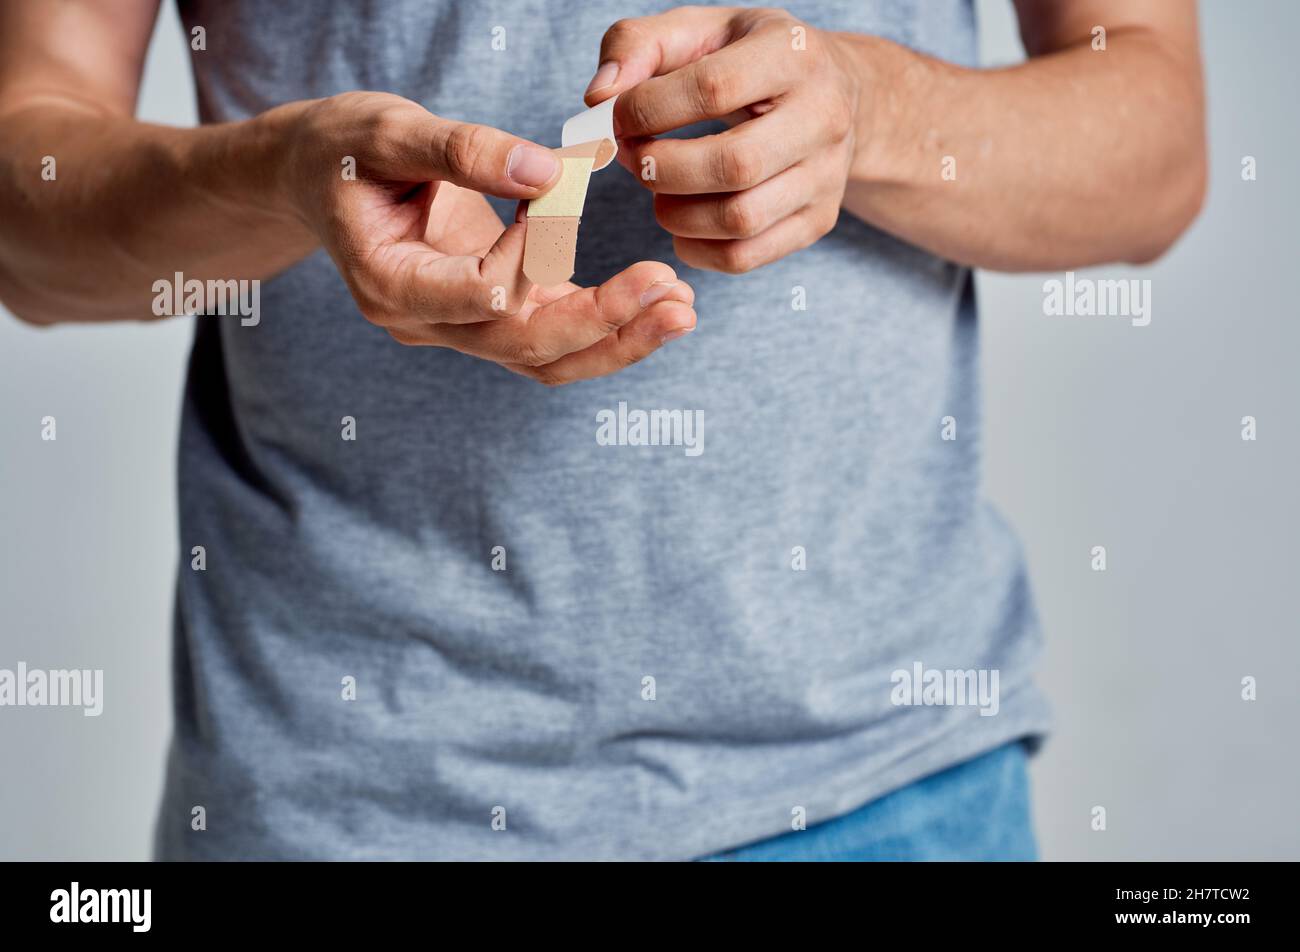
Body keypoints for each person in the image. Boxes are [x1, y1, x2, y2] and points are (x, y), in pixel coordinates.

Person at [0, 1, 1205, 860]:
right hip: (348, 796)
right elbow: (25, 211)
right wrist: (275, 176)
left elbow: (1156, 140)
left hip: (884, 782)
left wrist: (871, 110)